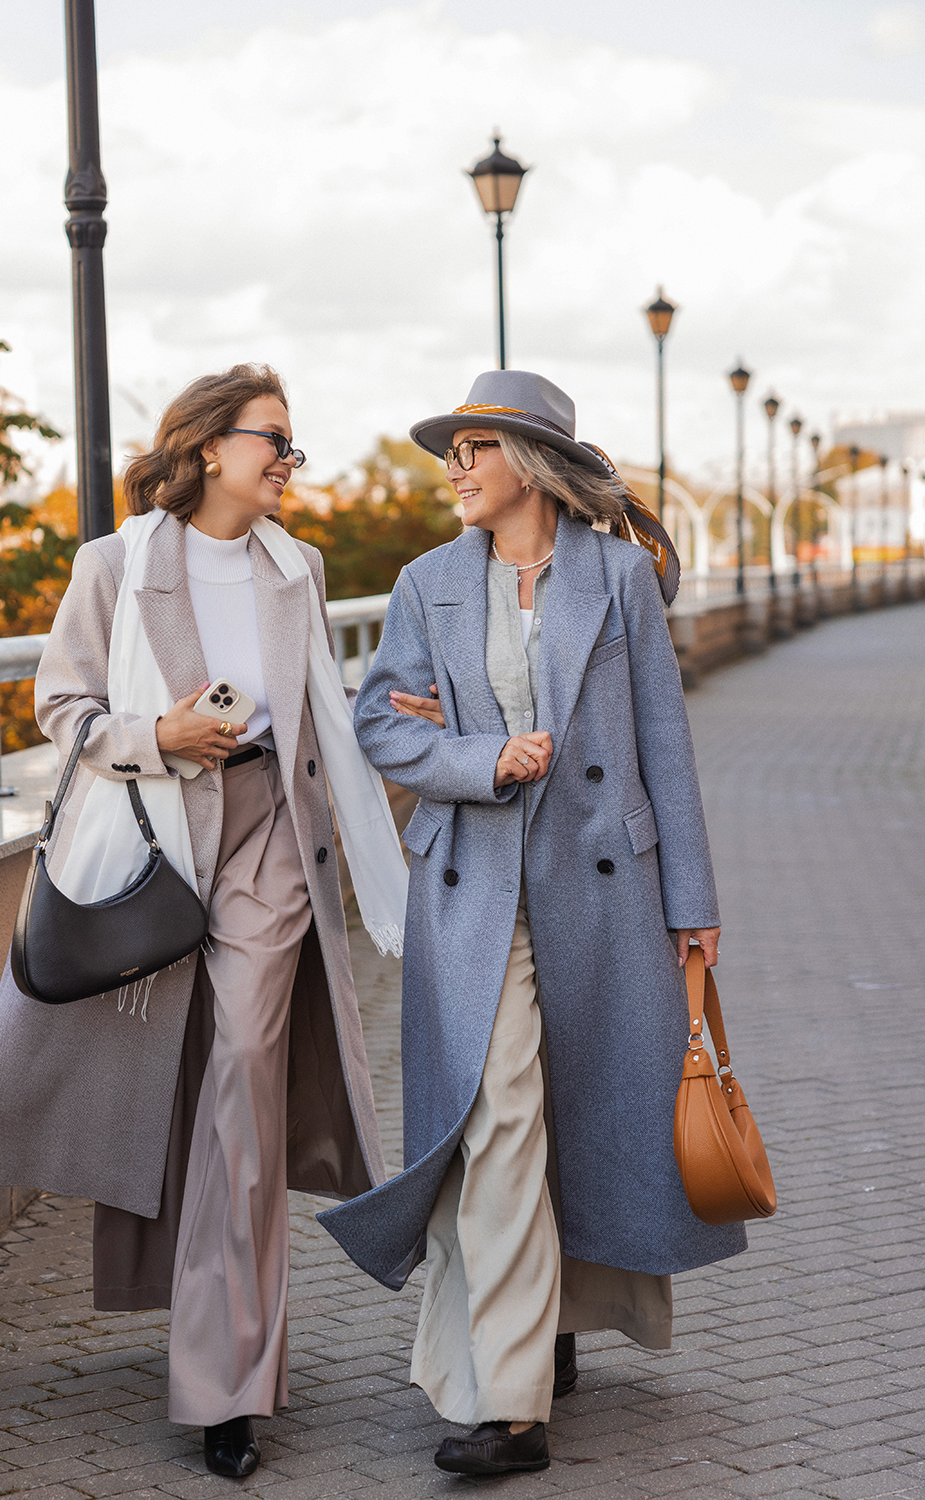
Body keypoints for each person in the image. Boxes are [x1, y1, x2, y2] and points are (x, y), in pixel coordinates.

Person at [0, 364, 407, 1479]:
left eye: (293, 444)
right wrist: (158, 737)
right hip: (155, 838)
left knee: (244, 1083)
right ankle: (199, 1314)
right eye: (274, 440)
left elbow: (321, 711)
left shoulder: (295, 568)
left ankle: (227, 1387)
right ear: (210, 448)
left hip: (268, 836)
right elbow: (61, 706)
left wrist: (404, 716)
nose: (290, 460)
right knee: (176, 1083)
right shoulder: (115, 566)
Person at [319, 370, 746, 1477]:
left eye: (474, 449)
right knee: (498, 1117)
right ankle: (508, 1402)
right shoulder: (427, 583)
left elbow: (664, 742)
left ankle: (552, 1318)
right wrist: (479, 757)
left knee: (586, 1107)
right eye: (451, 452)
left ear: (534, 463)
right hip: (475, 888)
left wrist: (693, 903)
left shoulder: (619, 575)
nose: (454, 469)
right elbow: (381, 724)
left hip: (604, 885)